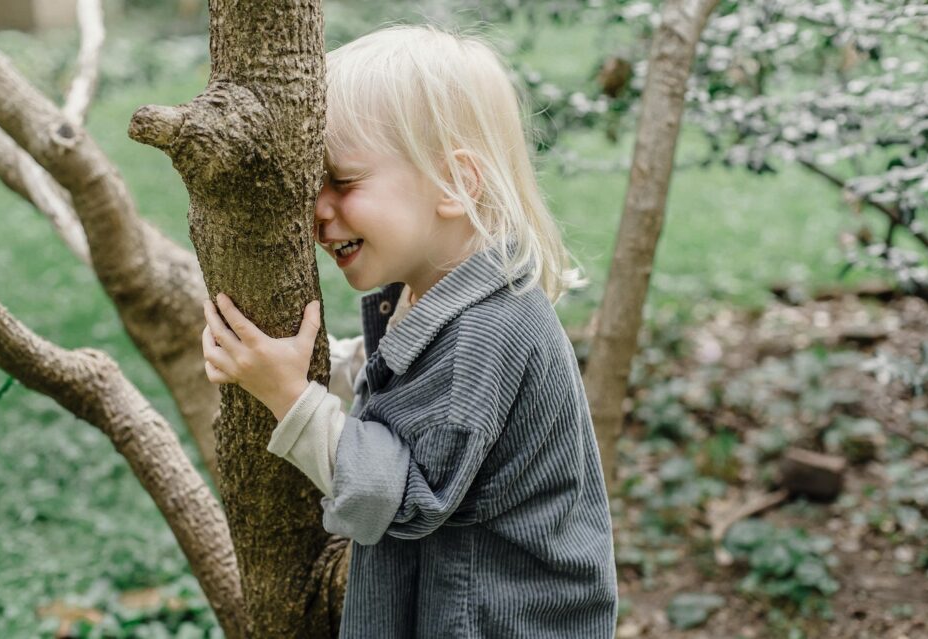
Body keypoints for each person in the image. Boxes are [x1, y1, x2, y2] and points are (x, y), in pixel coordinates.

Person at [200, 25, 617, 638]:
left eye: (342, 181)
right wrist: (331, 364)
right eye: (312, 184)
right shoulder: (438, 289)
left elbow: (403, 498)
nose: (317, 209)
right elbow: (408, 382)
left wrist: (289, 395)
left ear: (456, 184)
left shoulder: (486, 332)